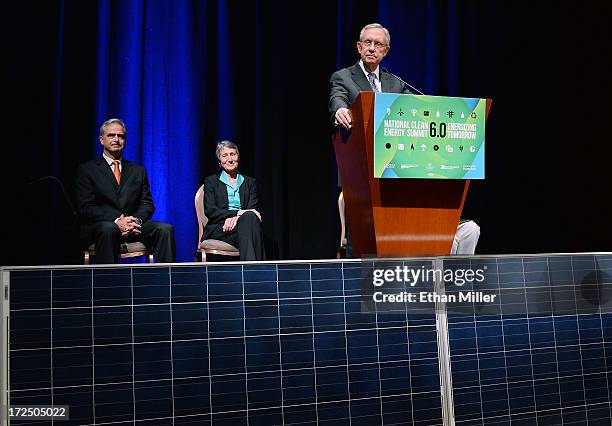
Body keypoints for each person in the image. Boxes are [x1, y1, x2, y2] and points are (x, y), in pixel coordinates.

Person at [329, 23, 480, 255]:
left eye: (378, 44)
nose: (371, 48)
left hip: (395, 169)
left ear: (386, 51)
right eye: (367, 43)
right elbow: (337, 99)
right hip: (361, 171)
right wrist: (340, 110)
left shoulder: (395, 82)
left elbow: (416, 109)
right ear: (358, 47)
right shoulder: (343, 77)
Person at [76, 118, 176, 263]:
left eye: (120, 136)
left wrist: (135, 221)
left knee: (165, 229)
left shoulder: (137, 171)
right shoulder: (87, 170)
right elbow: (86, 207)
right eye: (111, 135)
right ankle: (107, 283)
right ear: (101, 140)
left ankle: (166, 282)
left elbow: (147, 204)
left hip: (133, 226)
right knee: (109, 229)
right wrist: (117, 221)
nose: (116, 139)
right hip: (102, 226)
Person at [202, 141, 264, 261]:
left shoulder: (250, 182)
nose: (230, 159)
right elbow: (211, 211)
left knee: (249, 220)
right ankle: (256, 271)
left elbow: (253, 209)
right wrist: (237, 213)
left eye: (233, 154)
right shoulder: (211, 181)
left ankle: (249, 271)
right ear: (219, 162)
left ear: (238, 158)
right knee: (250, 228)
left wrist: (238, 218)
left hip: (244, 225)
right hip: (220, 228)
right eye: (225, 156)